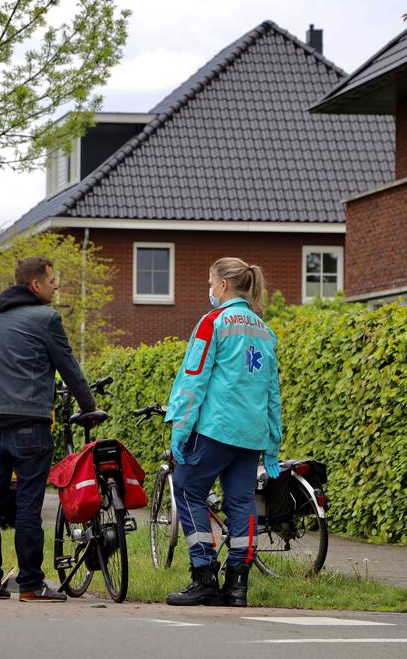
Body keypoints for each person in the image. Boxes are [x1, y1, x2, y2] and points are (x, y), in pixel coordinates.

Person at [0, 257, 99, 602]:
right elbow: (69, 367)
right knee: (28, 506)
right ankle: (30, 585)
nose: (56, 286)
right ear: (35, 285)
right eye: (52, 280)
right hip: (31, 426)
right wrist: (89, 408)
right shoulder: (46, 319)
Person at [164, 257, 282, 608]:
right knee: (242, 503)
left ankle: (203, 577)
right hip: (251, 434)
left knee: (187, 491)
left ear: (224, 285)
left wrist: (181, 427)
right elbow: (272, 391)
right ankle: (236, 587)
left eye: (211, 282)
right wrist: (272, 443)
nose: (210, 289)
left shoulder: (212, 322)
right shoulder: (264, 330)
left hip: (216, 429)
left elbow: (193, 378)